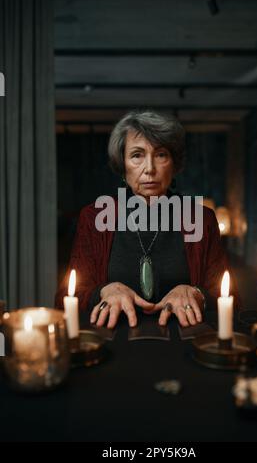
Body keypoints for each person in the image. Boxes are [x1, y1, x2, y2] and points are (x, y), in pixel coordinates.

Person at [55, 110, 239, 329]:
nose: (149, 169)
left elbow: (232, 300)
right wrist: (102, 292)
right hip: (113, 338)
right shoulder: (94, 217)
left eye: (161, 155)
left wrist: (196, 294)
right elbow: (65, 298)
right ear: (122, 165)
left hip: (185, 340)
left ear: (174, 165)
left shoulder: (202, 219)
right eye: (137, 155)